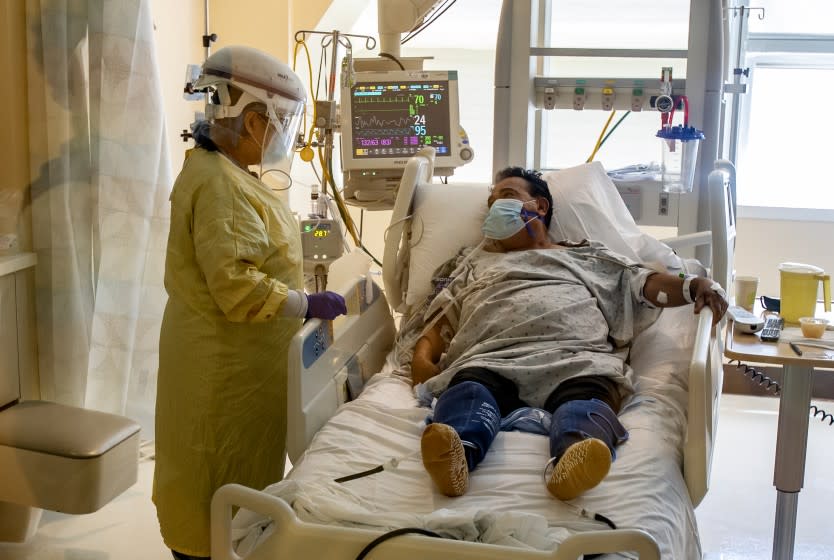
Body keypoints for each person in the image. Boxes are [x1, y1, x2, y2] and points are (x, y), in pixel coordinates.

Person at [412, 167, 727, 500]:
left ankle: (573, 460)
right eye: (490, 203)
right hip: (492, 355)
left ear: (540, 207)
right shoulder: (473, 264)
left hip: (576, 358)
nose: (494, 207)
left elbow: (643, 285)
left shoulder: (587, 256)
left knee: (586, 400)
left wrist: (694, 286)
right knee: (468, 390)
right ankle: (457, 454)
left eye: (506, 197)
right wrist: (422, 357)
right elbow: (442, 319)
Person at [153, 46, 347, 560]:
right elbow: (237, 287)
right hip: (222, 370)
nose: (285, 134)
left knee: (236, 481)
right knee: (212, 484)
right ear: (254, 118)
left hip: (239, 364)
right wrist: (306, 303)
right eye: (282, 122)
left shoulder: (226, 173)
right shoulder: (219, 183)